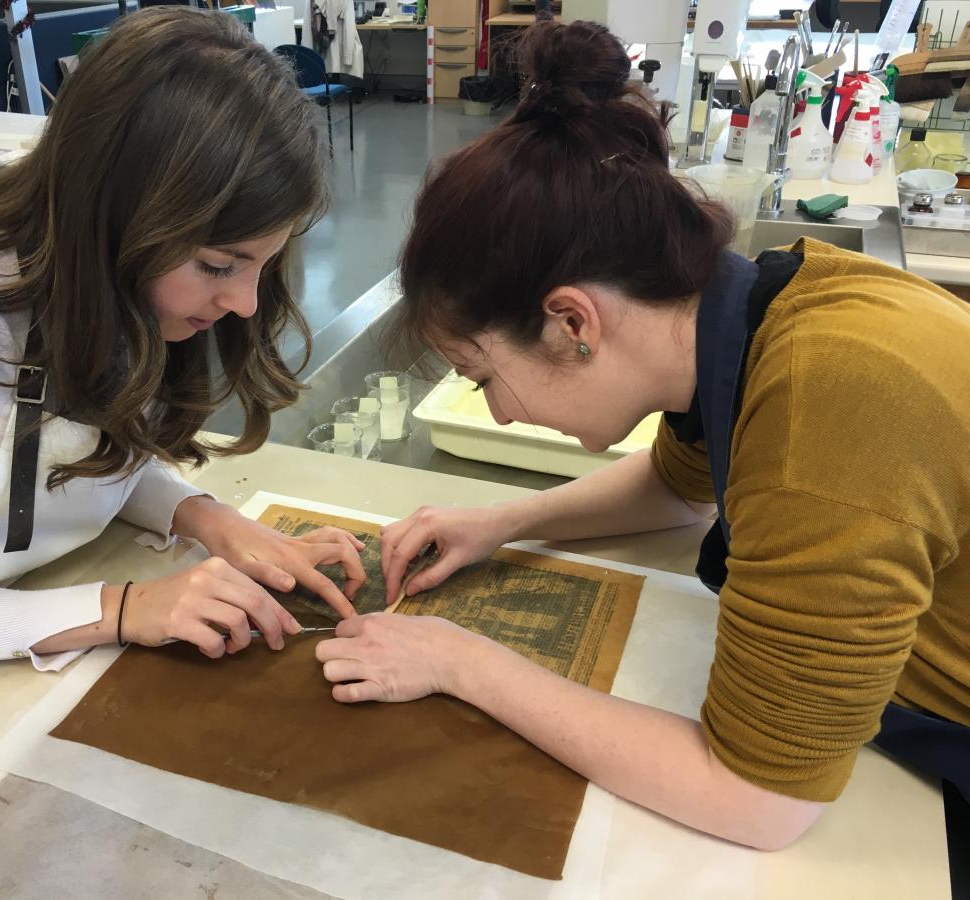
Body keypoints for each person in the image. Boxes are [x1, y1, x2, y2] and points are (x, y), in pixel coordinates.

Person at [315, 18, 970, 870]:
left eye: (484, 379)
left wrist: (461, 662)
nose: (502, 418)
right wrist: (501, 524)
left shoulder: (823, 411)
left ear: (572, 322)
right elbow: (678, 488)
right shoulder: (752, 320)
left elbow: (758, 800)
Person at [0, 7, 368, 743]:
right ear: (113, 212)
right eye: (218, 266)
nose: (244, 302)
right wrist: (125, 608)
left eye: (261, 265)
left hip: (14, 649)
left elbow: (78, 455)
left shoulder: (121, 283)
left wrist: (212, 522)